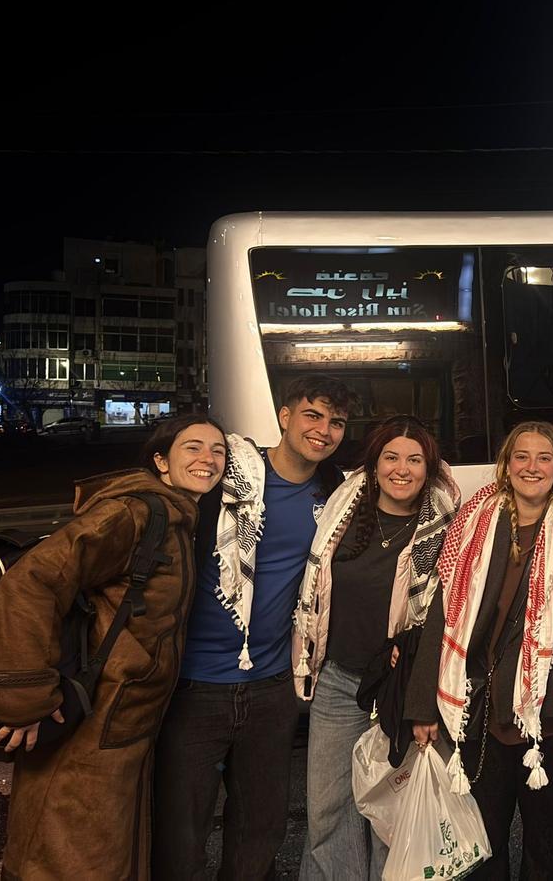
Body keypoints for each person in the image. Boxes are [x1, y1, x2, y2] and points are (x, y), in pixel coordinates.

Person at [0, 414, 228, 880]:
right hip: (88, 726)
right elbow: (28, 583)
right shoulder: (134, 513)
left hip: (123, 729)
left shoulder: (176, 519)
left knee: (105, 858)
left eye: (217, 451)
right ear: (161, 460)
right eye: (192, 447)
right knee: (64, 860)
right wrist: (24, 698)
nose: (207, 459)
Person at [153, 375, 357, 880]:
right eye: (312, 415)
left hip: (272, 688)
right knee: (181, 836)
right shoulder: (228, 477)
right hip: (193, 686)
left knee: (260, 830)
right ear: (284, 418)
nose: (324, 430)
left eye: (336, 423)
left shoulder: (335, 496)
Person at [407, 421, 553, 879]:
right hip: (480, 708)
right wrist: (423, 704)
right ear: (506, 465)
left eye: (545, 458)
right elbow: (442, 617)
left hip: (550, 711)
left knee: (543, 838)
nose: (532, 467)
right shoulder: (472, 525)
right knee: (486, 834)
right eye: (522, 456)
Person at [292, 415, 461, 879]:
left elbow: (449, 615)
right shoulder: (342, 515)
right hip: (338, 682)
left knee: (394, 816)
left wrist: (422, 694)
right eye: (391, 457)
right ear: (374, 464)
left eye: (414, 459)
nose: (401, 469)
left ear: (429, 469)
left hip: (396, 691)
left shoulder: (444, 529)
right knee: (328, 811)